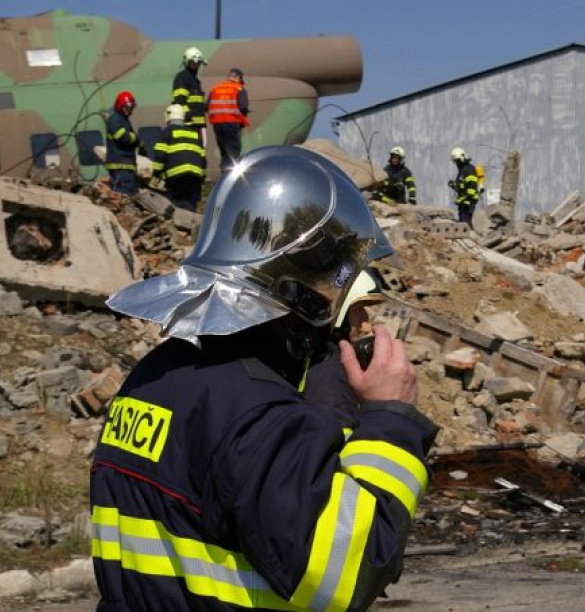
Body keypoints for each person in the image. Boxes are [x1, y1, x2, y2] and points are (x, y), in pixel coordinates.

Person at [90, 146, 438, 611]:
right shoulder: (260, 416)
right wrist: (390, 420)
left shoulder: (156, 375)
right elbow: (350, 574)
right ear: (307, 288)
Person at [303, 268, 387, 421]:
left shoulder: (321, 352)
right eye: (358, 309)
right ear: (339, 310)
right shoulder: (331, 375)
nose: (365, 319)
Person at [150, 104, 206, 212]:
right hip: (195, 177)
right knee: (190, 206)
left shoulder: (167, 132)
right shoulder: (195, 133)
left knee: (174, 206)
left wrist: (156, 174)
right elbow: (203, 159)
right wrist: (202, 177)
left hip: (176, 177)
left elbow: (160, 155)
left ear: (168, 116)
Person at [207, 67, 250, 170]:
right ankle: (231, 175)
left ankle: (224, 172)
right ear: (239, 78)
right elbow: (243, 107)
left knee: (224, 152)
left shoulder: (216, 88)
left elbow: (207, 106)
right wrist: (241, 120)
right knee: (233, 152)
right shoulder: (239, 88)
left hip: (217, 124)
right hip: (232, 124)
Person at [104, 91, 141, 196]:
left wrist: (139, 145)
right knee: (124, 196)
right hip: (121, 166)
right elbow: (122, 137)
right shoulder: (115, 119)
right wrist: (135, 138)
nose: (130, 111)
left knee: (129, 196)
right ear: (121, 106)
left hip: (125, 166)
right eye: (128, 108)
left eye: (131, 108)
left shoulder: (123, 120)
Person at [171, 47, 208, 138]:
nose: (197, 65)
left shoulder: (194, 80)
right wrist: (187, 118)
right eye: (194, 63)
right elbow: (179, 102)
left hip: (198, 125)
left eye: (198, 63)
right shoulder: (182, 78)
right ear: (187, 62)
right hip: (188, 125)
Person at [447, 147, 480, 229]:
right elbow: (461, 188)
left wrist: (467, 201)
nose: (456, 163)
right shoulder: (462, 170)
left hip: (468, 202)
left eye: (456, 161)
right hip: (463, 202)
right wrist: (453, 185)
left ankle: (471, 236)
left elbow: (472, 186)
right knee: (463, 223)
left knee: (466, 224)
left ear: (461, 160)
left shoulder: (469, 169)